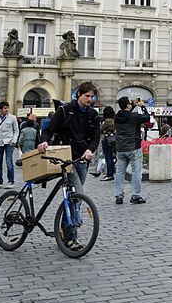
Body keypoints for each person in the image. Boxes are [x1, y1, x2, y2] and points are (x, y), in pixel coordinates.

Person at [38, 82, 101, 250]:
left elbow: (96, 137)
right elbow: (48, 130)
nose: (90, 99)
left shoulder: (93, 115)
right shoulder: (64, 111)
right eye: (87, 96)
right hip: (65, 159)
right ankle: (71, 237)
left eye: (92, 97)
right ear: (78, 95)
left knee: (73, 199)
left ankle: (65, 230)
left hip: (82, 160)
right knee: (78, 195)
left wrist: (90, 149)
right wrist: (44, 141)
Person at [114, 96, 151, 204]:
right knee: (136, 172)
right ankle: (135, 195)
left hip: (121, 148)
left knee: (120, 172)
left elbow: (126, 113)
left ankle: (119, 196)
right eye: (130, 103)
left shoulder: (117, 116)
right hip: (133, 147)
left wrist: (134, 104)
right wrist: (143, 106)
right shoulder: (133, 116)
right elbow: (146, 117)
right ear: (128, 105)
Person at [0, 102, 20, 189]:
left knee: (9, 161)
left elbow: (16, 130)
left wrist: (14, 140)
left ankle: (11, 181)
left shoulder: (12, 118)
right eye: (5, 108)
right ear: (0, 109)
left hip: (9, 142)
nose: (7, 110)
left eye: (7, 108)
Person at [97, 106, 116, 181]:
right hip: (112, 139)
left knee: (108, 157)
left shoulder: (107, 121)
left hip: (106, 139)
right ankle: (111, 172)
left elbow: (100, 129)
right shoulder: (114, 120)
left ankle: (109, 174)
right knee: (111, 156)